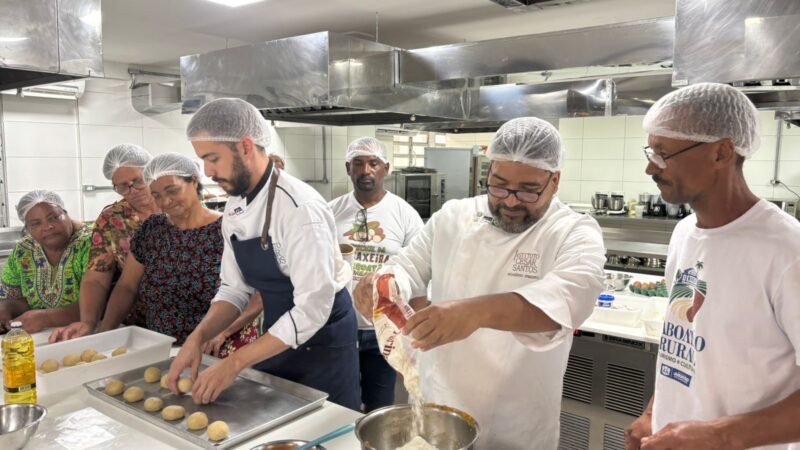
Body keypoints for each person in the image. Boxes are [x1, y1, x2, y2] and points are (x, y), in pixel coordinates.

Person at [353, 117, 606, 449]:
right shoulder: (454, 216)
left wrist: (474, 313)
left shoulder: (573, 231)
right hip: (439, 409)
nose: (510, 201)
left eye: (528, 190)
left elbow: (568, 299)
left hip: (516, 428)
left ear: (554, 180)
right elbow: (407, 265)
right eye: (499, 185)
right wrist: (383, 283)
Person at [624, 83, 800, 450]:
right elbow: (685, 343)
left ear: (721, 152)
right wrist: (654, 413)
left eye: (663, 154)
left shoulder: (786, 250)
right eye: (651, 152)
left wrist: (719, 435)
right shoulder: (685, 233)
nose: (650, 168)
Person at [167, 98, 360, 410]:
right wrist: (197, 338)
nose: (207, 172)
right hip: (275, 337)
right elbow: (234, 289)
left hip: (322, 345)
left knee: (324, 426)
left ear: (245, 147)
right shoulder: (235, 205)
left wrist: (234, 362)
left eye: (213, 158)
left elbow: (312, 308)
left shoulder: (300, 208)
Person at [95, 153, 260, 355]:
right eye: (156, 195)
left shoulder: (230, 229)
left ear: (194, 181)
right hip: (163, 349)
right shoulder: (152, 229)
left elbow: (261, 295)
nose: (165, 201)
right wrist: (103, 337)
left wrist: (222, 332)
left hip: (221, 348)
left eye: (172, 190)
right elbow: (126, 287)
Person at [329, 136, 423, 412]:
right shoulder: (330, 211)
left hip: (384, 329)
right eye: (358, 163)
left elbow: (419, 274)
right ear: (348, 169)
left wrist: (415, 330)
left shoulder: (405, 215)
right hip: (340, 326)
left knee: (380, 406)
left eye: (373, 163)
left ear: (386, 169)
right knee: (338, 405)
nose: (365, 170)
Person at [49, 144, 160, 342]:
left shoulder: (179, 207)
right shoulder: (112, 219)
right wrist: (89, 322)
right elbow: (97, 278)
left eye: (138, 181)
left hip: (194, 316)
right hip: (139, 322)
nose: (133, 190)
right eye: (123, 186)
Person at [0, 191, 92, 333]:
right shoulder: (23, 251)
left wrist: (46, 318)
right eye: (35, 223)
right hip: (40, 334)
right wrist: (6, 308)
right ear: (27, 229)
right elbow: (17, 298)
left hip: (89, 331)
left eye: (54, 217)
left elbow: (100, 301)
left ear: (66, 214)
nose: (48, 226)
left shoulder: (91, 244)